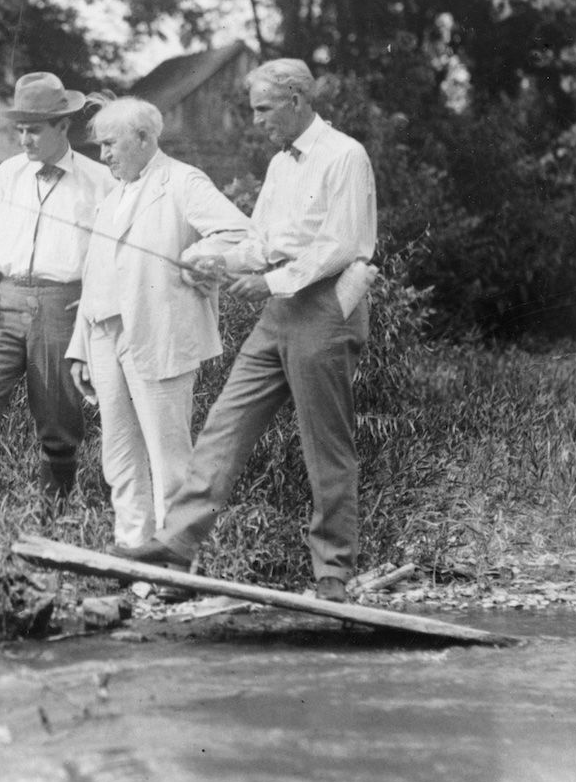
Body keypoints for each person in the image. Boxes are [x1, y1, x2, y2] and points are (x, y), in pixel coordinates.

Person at [109, 58, 378, 603]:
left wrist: (271, 282)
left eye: (263, 109)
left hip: (325, 308)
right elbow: (262, 240)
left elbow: (341, 244)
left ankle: (332, 573)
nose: (256, 121)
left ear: (296, 100)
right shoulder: (281, 165)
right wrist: (222, 261)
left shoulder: (345, 155)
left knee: (326, 445)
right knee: (224, 426)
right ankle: (177, 543)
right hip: (280, 313)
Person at [65, 95, 261, 549]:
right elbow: (96, 275)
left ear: (144, 138)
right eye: (100, 147)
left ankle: (175, 557)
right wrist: (80, 347)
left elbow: (241, 234)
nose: (104, 155)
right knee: (119, 456)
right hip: (104, 337)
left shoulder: (182, 181)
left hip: (159, 335)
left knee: (169, 457)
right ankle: (132, 551)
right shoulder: (114, 195)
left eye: (110, 144)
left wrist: (199, 257)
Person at [0, 72, 114, 505]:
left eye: (34, 129)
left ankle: (53, 514)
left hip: (64, 304)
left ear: (63, 126)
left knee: (59, 418)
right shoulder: (7, 174)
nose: (24, 139)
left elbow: (113, 253)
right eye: (19, 129)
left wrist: (94, 301)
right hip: (5, 302)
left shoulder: (99, 182)